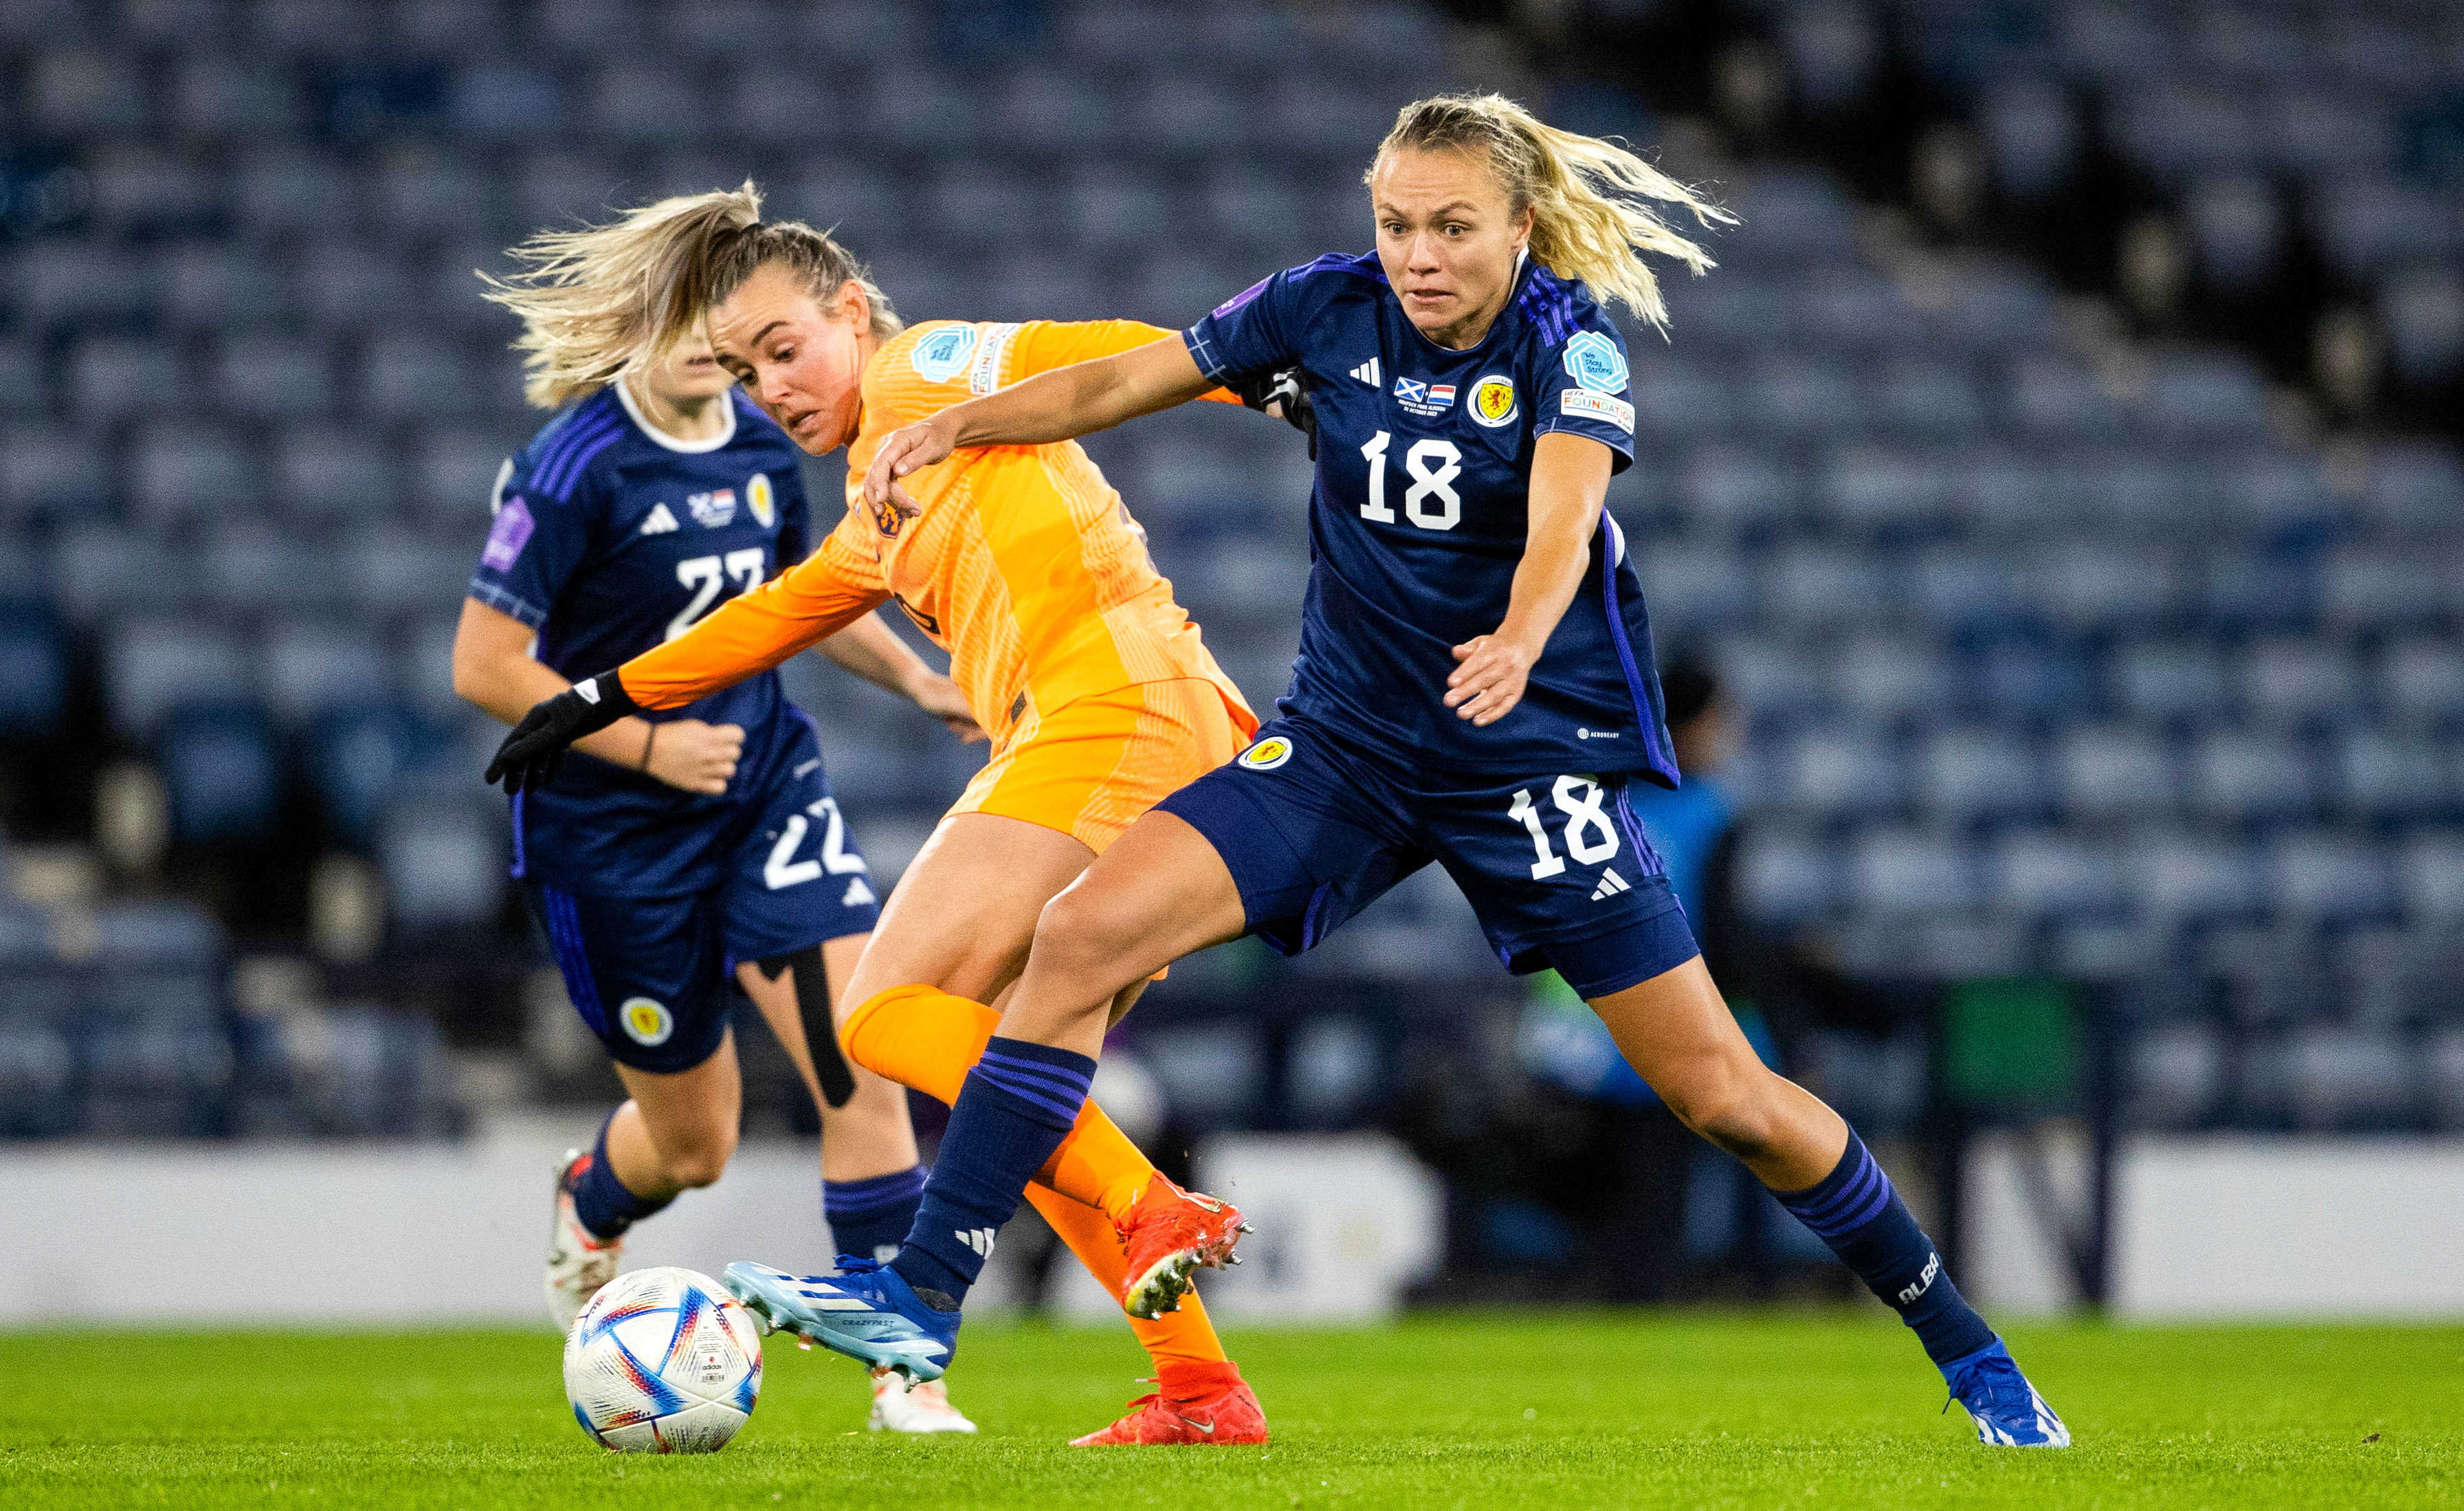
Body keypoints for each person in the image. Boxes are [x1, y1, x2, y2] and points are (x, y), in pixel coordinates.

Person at [693, 92, 2068, 1448]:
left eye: (1450, 227)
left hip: (1516, 763)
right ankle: (920, 1298)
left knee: (1726, 1097)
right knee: (1078, 933)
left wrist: (1519, 637)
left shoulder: (1567, 344)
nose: (1416, 253)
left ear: (1518, 226)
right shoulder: (1322, 307)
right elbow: (1119, 382)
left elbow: (1564, 513)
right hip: (1342, 748)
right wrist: (960, 423)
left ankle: (1973, 1354)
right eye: (1396, 222)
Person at [479, 187, 1288, 1446]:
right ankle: (1198, 1389)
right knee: (1017, 1096)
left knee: (881, 1009)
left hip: (1112, 708)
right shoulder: (881, 495)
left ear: (851, 312)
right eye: (745, 373)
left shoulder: (921, 373)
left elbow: (1100, 356)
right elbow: (778, 612)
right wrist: (600, 697)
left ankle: (1154, 1207)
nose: (771, 390)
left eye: (786, 349)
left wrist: (1262, 380)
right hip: (1141, 723)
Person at [457, 227, 985, 1433]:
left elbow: (802, 596)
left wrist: (919, 681)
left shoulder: (758, 441)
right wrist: (651, 747)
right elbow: (484, 664)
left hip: (759, 790)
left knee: (862, 1054)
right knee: (696, 1145)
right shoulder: (573, 466)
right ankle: (593, 1195)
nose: (714, 347)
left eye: (733, 329)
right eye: (687, 317)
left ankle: (905, 1373)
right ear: (635, 326)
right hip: (611, 836)